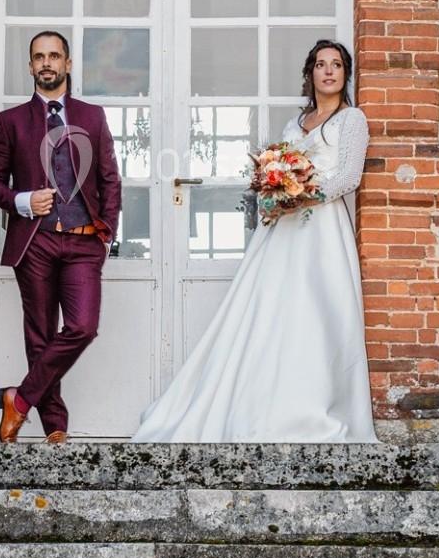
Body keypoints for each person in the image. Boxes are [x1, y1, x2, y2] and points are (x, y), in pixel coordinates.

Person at [131, 39, 377, 442]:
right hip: (281, 234)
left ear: (346, 74)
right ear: (310, 73)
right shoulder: (293, 126)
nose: (328, 71)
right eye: (320, 64)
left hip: (323, 232)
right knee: (271, 313)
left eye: (336, 65)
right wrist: (275, 193)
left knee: (319, 314)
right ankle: (259, 403)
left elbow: (349, 178)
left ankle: (313, 407)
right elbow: (274, 174)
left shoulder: (353, 121)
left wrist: (301, 196)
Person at [0, 30, 122, 443]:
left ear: (68, 64)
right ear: (30, 66)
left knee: (82, 326)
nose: (47, 63)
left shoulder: (92, 117)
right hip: (36, 241)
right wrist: (23, 200)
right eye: (39, 57)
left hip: (83, 241)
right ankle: (55, 426)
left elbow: (110, 181)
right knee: (40, 335)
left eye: (54, 56)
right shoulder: (11, 122)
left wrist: (104, 236)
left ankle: (19, 399)